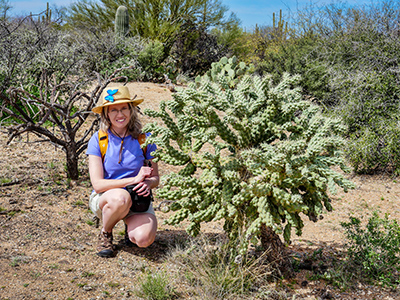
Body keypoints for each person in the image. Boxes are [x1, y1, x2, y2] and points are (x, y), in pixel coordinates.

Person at [86, 85, 159, 258]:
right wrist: (135, 179)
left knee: (144, 239)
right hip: (108, 199)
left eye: (124, 108)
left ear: (132, 110)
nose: (120, 115)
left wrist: (147, 183)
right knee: (120, 198)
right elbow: (97, 185)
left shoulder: (146, 138)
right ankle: (106, 233)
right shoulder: (98, 140)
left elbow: (156, 178)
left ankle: (130, 228)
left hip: (137, 198)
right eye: (114, 110)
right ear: (105, 114)